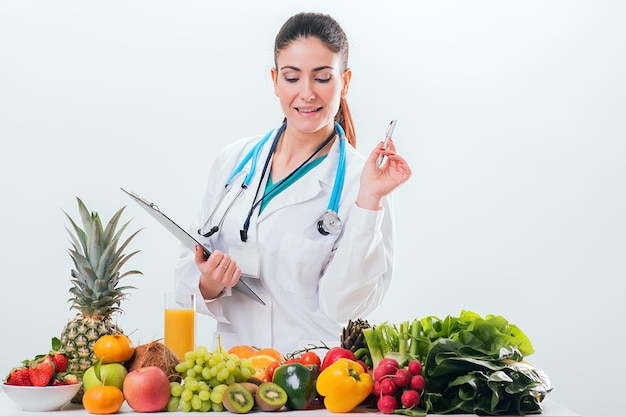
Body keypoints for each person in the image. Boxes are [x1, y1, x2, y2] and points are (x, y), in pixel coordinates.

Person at [175, 12, 412, 355]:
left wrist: (369, 200)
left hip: (315, 387)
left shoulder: (364, 183)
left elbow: (343, 307)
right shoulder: (233, 162)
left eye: (322, 78)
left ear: (344, 82)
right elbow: (185, 278)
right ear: (274, 80)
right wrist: (210, 282)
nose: (306, 94)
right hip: (235, 382)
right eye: (292, 77)